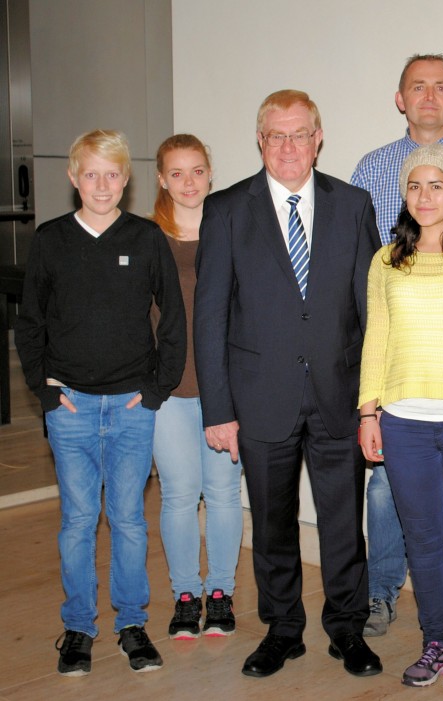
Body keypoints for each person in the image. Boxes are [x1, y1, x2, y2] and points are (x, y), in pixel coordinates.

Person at [193, 89, 382, 679]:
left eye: (300, 134)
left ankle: (347, 628)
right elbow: (210, 316)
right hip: (259, 399)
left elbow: (372, 309)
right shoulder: (226, 209)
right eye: (277, 135)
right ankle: (282, 629)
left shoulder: (353, 204)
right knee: (273, 525)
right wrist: (218, 410)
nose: (289, 146)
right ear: (260, 140)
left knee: (342, 523)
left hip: (338, 395)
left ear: (318, 138)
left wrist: (374, 401)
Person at [15, 129, 186, 676]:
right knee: (78, 520)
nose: (103, 184)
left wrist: (156, 390)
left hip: (133, 406)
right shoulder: (50, 240)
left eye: (113, 173)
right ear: (73, 178)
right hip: (72, 408)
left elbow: (175, 321)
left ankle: (132, 625)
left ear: (126, 179)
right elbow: (31, 322)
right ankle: (79, 629)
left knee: (130, 520)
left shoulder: (146, 239)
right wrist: (44, 390)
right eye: (91, 174)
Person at [350, 53, 443, 636]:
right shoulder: (386, 258)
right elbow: (377, 338)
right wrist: (370, 410)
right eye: (414, 185)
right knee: (413, 525)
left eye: (436, 184)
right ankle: (420, 622)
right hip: (403, 414)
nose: (423, 193)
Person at [150, 134, 243, 640]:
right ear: (162, 179)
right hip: (168, 392)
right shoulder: (144, 238)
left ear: (211, 173)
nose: (189, 182)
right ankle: (186, 594)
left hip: (224, 390)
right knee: (179, 494)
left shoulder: (231, 230)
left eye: (198, 171)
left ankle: (221, 593)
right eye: (177, 173)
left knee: (225, 493)